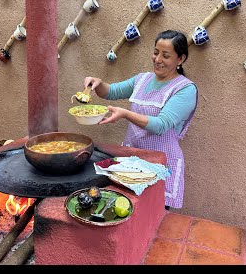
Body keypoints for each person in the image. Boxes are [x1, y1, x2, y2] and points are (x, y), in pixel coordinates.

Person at [84, 30, 198, 210]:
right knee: (127, 210)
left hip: (160, 165)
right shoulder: (142, 79)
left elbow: (161, 125)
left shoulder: (185, 89)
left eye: (165, 55)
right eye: (155, 52)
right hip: (132, 161)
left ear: (180, 59)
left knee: (152, 217)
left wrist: (125, 114)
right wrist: (97, 83)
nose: (157, 59)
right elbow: (111, 91)